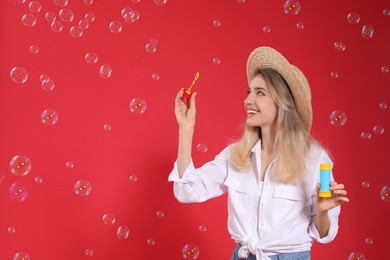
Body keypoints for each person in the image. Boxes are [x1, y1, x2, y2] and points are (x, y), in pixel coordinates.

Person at [168, 46, 349, 260]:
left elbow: (324, 233)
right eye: (249, 91)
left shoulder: (315, 160)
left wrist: (322, 212)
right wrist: (186, 129)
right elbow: (187, 191)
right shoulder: (235, 155)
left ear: (283, 103)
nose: (248, 100)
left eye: (260, 93)